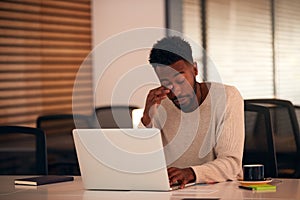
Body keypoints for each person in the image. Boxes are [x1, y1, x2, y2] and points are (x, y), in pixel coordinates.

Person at [139, 36, 245, 188]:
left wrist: (191, 173)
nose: (176, 90)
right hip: (174, 191)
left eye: (181, 80)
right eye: (166, 83)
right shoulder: (159, 103)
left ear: (195, 69)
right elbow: (142, 161)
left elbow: (231, 164)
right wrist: (147, 118)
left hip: (221, 190)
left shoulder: (227, 97)